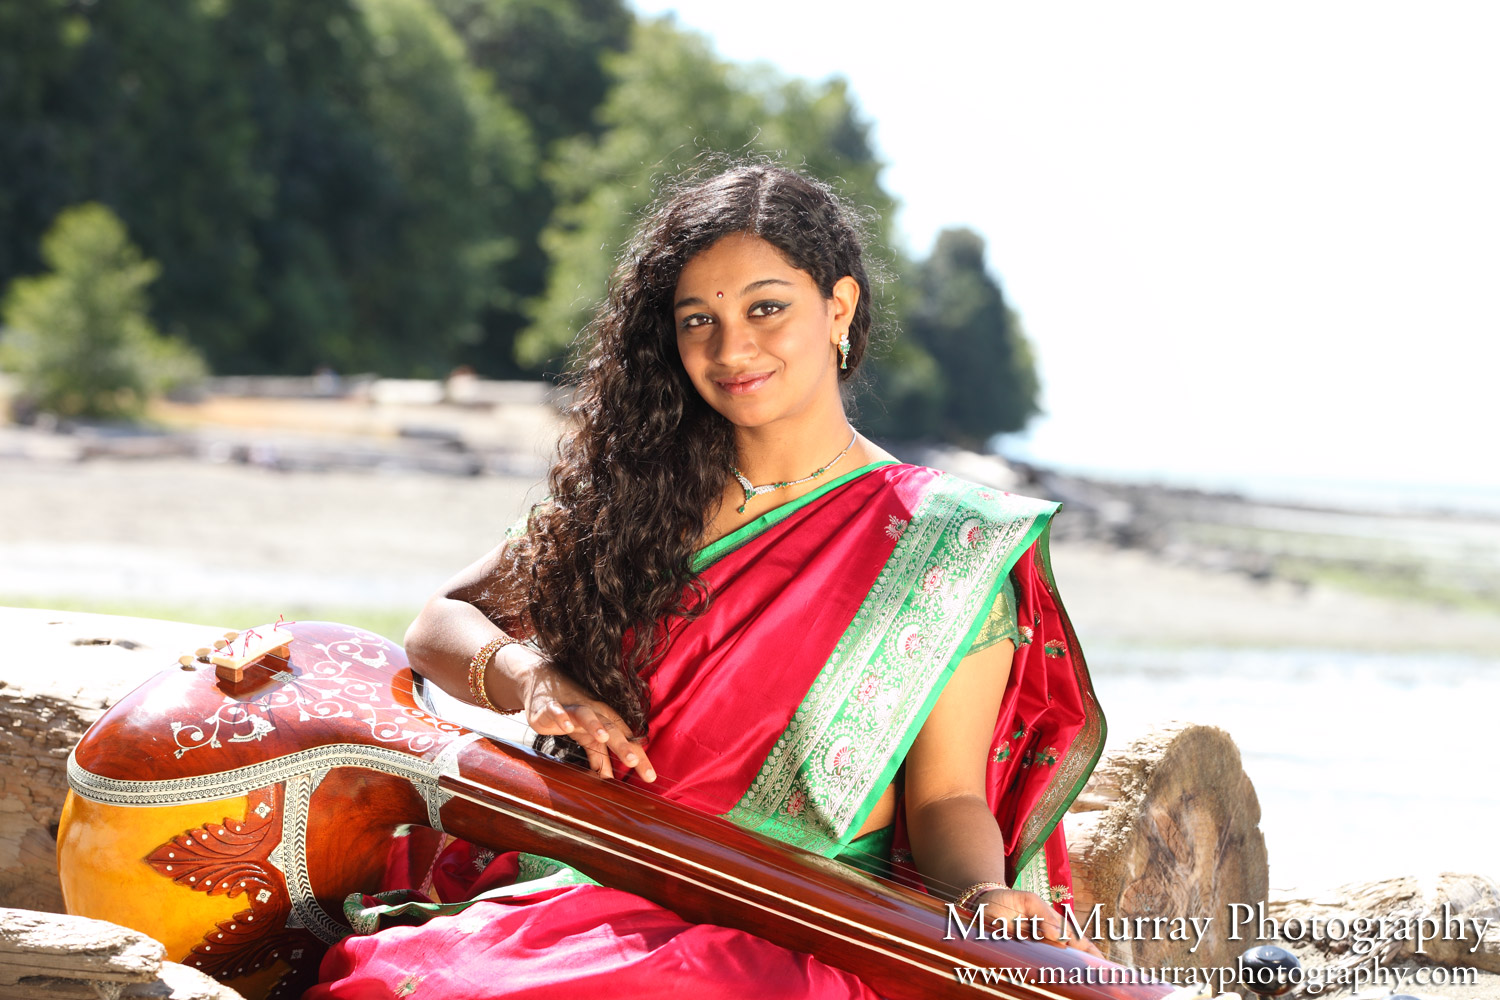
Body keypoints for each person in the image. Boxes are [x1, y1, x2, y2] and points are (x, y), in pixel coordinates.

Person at [307, 161, 1106, 998]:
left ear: (838, 307)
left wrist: (982, 900)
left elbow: (946, 799)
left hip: (790, 924)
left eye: (767, 307)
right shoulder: (637, 494)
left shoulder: (944, 541)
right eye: (699, 321)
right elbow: (442, 622)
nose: (732, 349)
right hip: (588, 887)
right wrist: (530, 677)